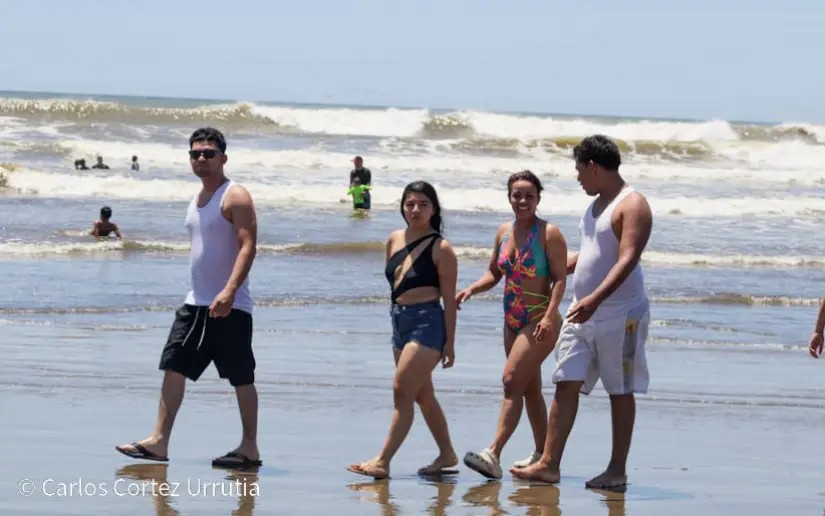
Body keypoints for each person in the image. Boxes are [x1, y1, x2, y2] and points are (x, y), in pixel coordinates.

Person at [511, 134, 653, 490]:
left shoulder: (632, 203)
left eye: (578, 170)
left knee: (620, 390)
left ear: (592, 166)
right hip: (580, 312)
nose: (577, 178)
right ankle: (548, 463)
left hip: (620, 313)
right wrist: (551, 276)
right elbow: (589, 254)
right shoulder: (594, 205)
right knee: (565, 380)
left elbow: (627, 259)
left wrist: (596, 299)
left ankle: (616, 470)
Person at [115, 127, 262, 470]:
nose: (201, 159)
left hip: (228, 304)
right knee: (174, 366)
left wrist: (229, 291)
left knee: (240, 376)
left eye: (208, 153)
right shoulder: (196, 200)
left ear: (223, 158)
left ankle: (248, 447)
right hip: (198, 302)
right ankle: (160, 441)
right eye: (195, 153)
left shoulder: (235, 195)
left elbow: (248, 246)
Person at [457, 170, 568, 480]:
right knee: (529, 389)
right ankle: (542, 456)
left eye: (528, 196)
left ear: (538, 198)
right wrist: (471, 289)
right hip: (511, 321)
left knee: (510, 381)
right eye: (516, 195)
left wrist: (549, 315)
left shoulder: (550, 234)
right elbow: (494, 273)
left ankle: (493, 453)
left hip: (540, 321)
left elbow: (560, 278)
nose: (522, 201)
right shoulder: (504, 231)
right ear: (509, 197)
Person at [347, 181, 459, 479]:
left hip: (428, 323)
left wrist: (450, 343)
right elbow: (394, 288)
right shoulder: (394, 239)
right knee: (422, 394)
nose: (415, 210)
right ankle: (447, 453)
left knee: (401, 389)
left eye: (423, 204)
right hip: (399, 321)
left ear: (433, 208)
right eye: (410, 204)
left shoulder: (442, 248)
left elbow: (449, 299)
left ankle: (382, 461)